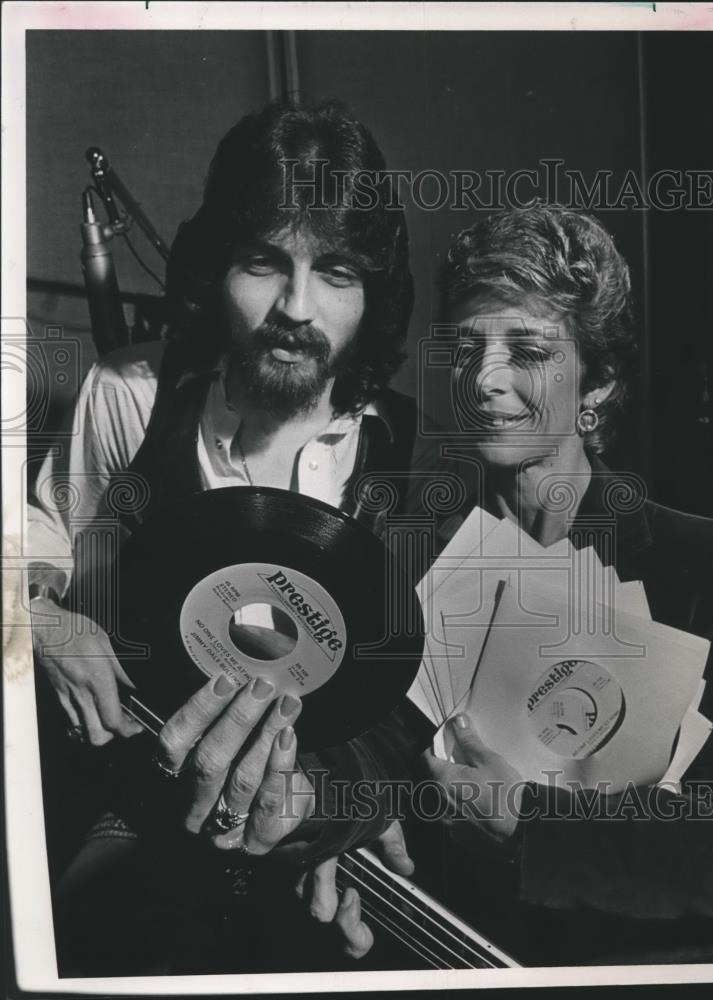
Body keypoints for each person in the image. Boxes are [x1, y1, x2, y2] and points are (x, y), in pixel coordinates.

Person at [26, 99, 440, 974]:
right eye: (263, 264)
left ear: (372, 293)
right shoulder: (130, 395)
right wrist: (35, 617)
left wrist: (327, 812)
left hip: (311, 845)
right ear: (217, 268)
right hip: (130, 800)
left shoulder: (407, 450)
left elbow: (405, 707)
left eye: (335, 271)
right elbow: (43, 545)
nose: (295, 307)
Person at [315, 205, 713, 966]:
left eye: (526, 350)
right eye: (466, 349)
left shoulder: (700, 564)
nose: (485, 380)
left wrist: (526, 821)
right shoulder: (406, 553)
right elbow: (361, 758)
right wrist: (331, 833)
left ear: (599, 385)